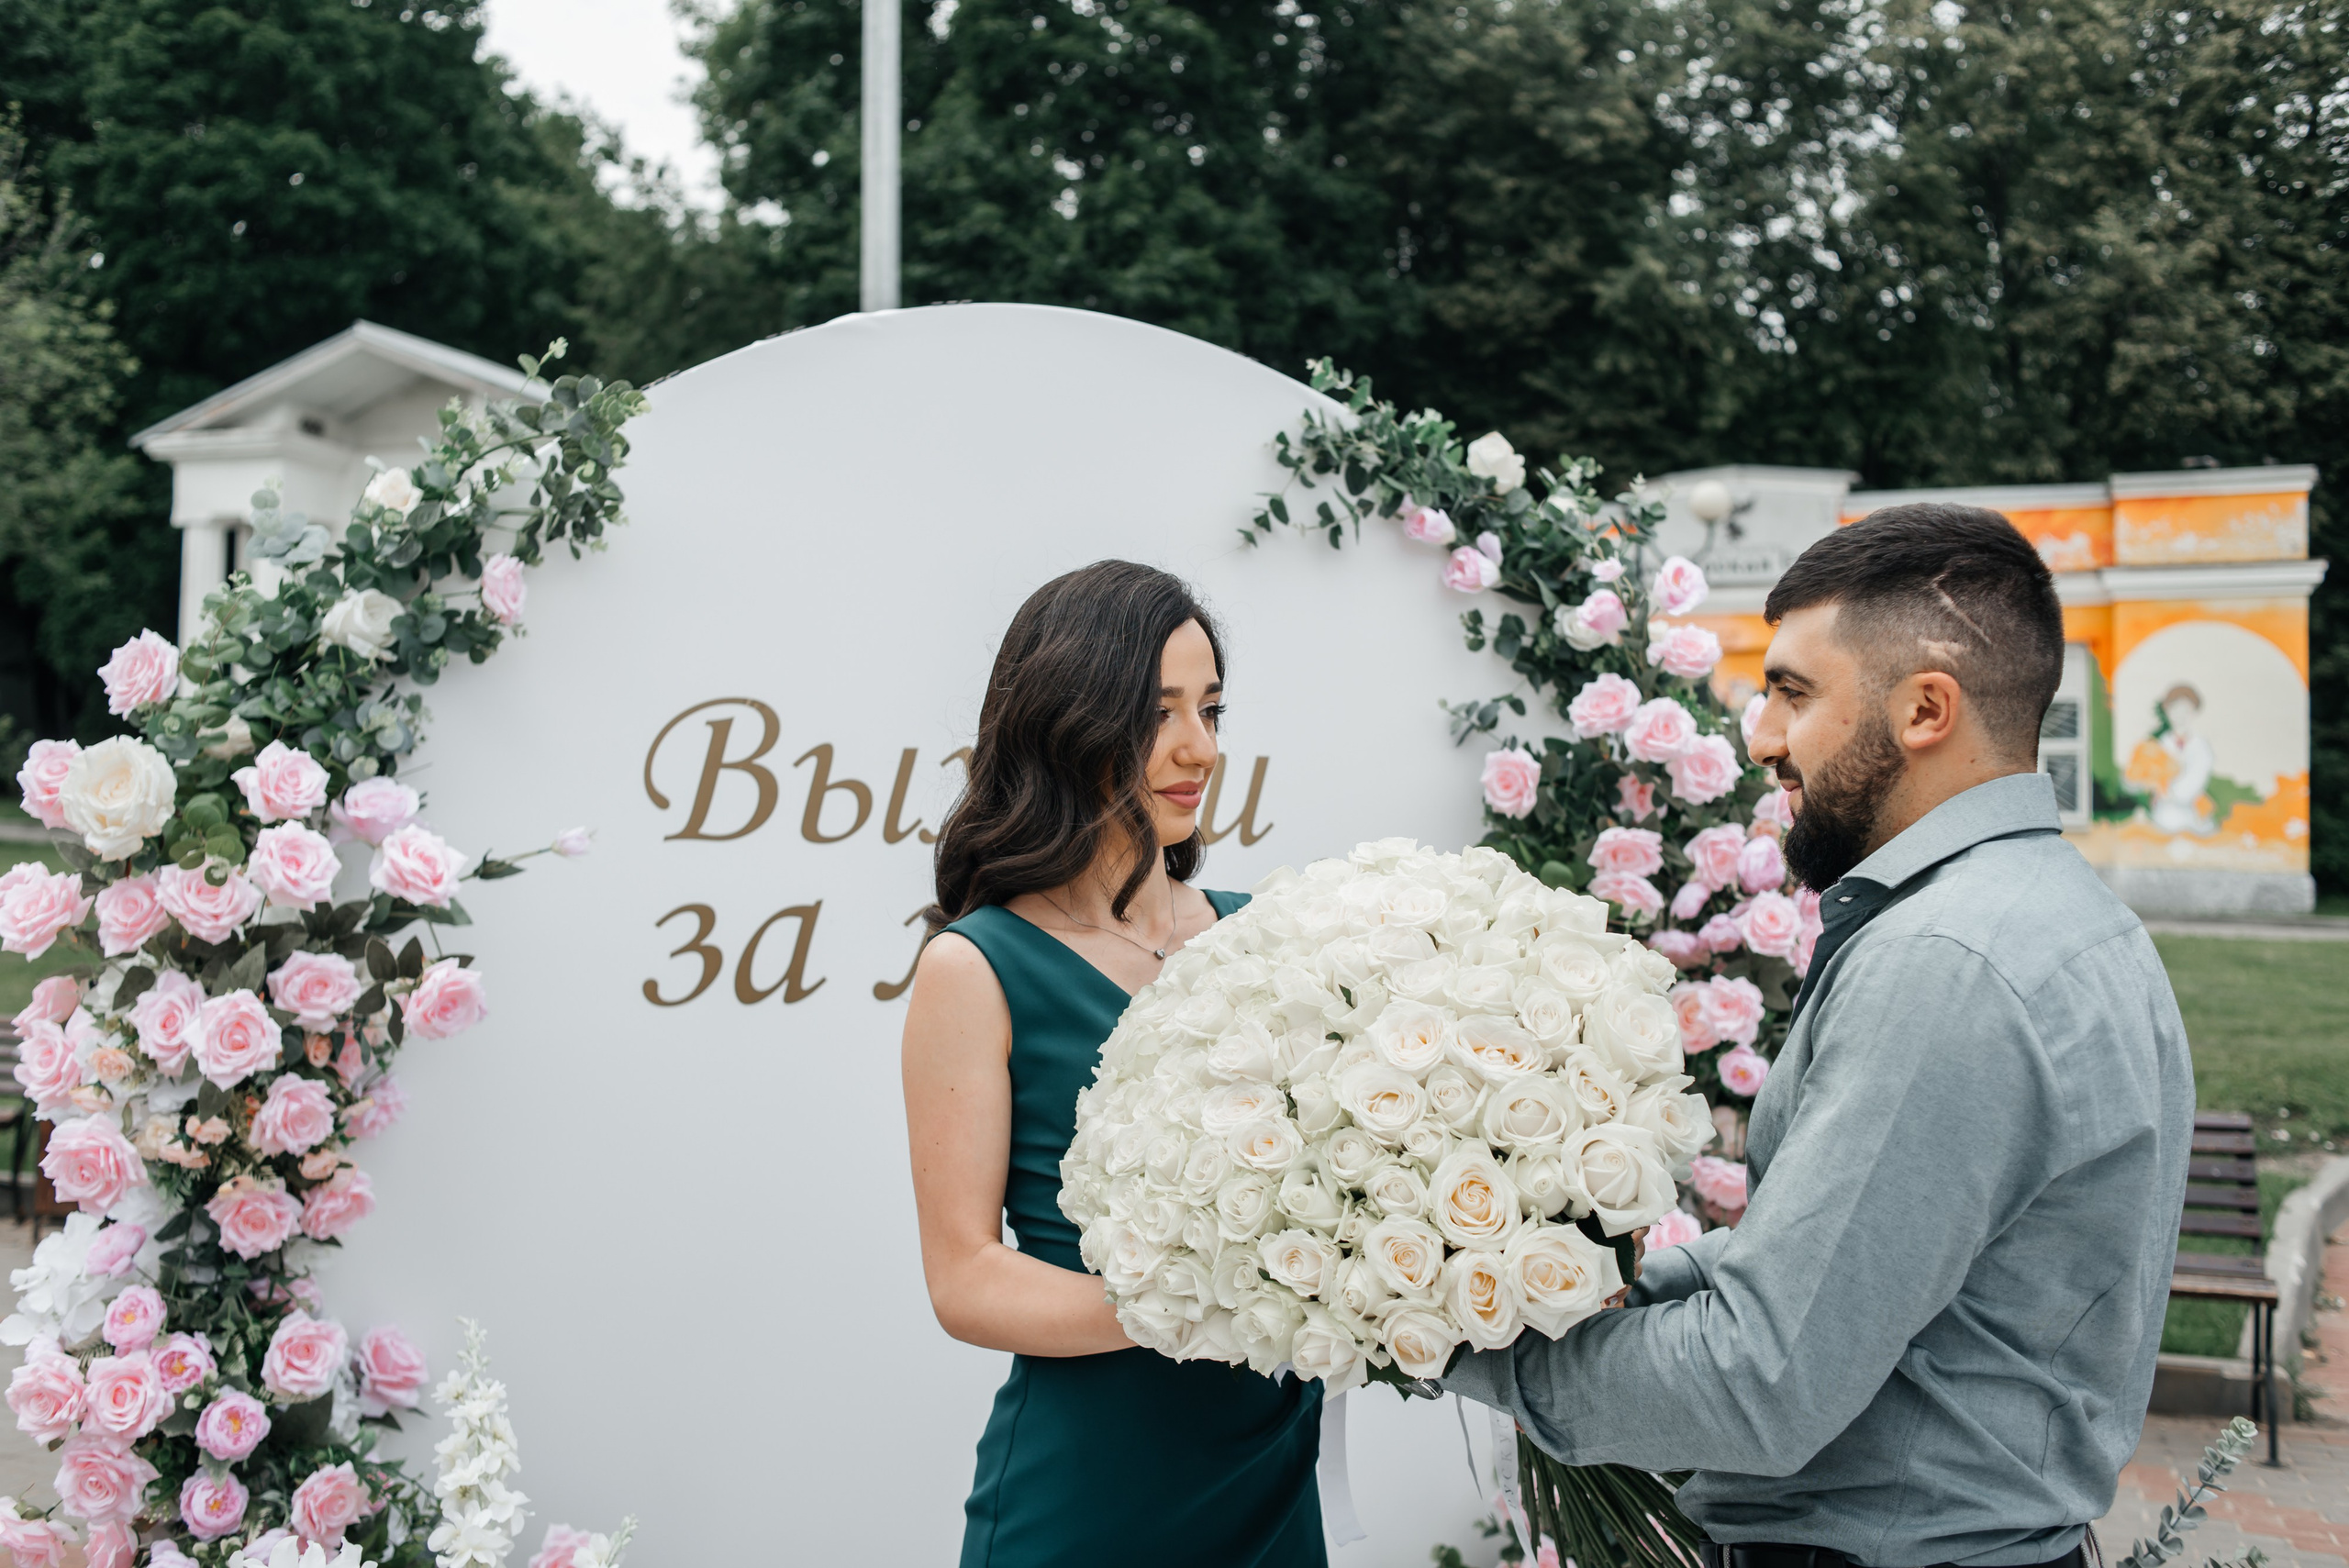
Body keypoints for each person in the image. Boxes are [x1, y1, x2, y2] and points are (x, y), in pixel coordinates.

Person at [1443, 505, 2194, 1568]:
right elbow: (1848, 1259)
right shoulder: (2069, 917)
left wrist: (1444, 1328)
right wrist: (1571, 1277)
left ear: (1925, 707)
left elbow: (1756, 1385)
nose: (1756, 732)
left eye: (1791, 691)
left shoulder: (1948, 962)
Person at [901, 561, 1325, 1568]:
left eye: (1211, 709)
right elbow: (964, 1278)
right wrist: (1212, 1299)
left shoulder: (1263, 938)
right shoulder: (974, 966)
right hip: (1091, 1498)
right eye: (1158, 713)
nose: (1200, 748)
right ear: (1069, 721)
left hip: (1269, 1478)